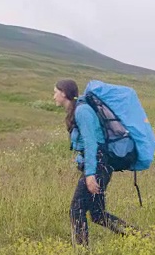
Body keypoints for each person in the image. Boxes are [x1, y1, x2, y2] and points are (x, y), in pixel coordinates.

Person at [54, 79, 138, 246]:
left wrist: (90, 174)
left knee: (76, 209)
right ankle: (138, 237)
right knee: (98, 214)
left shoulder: (82, 111)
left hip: (98, 166)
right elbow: (89, 145)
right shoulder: (78, 110)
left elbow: (92, 142)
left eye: (55, 92)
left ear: (64, 93)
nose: (53, 96)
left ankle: (82, 253)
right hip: (100, 165)